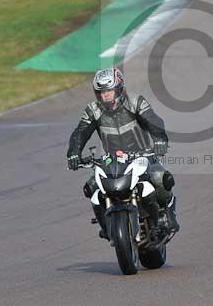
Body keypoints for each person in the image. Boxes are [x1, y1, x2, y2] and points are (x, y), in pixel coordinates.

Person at [66, 67, 179, 239]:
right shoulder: (93, 110)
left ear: (119, 88)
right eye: (101, 92)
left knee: (161, 178)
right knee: (91, 188)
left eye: (109, 91)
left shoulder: (135, 102)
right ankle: (107, 226)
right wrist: (74, 153)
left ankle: (168, 214)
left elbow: (153, 121)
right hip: (112, 161)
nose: (105, 96)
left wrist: (160, 140)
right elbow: (80, 133)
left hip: (143, 156)